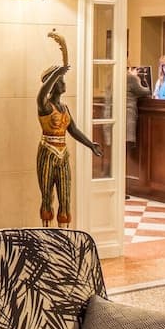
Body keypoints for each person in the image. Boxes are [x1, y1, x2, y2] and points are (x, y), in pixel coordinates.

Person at [37, 64, 103, 227]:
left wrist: (90, 144)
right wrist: (55, 74)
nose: (64, 83)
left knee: (65, 197)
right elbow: (42, 93)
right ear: (53, 84)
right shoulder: (45, 106)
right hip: (47, 152)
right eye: (60, 80)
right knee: (47, 197)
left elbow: (73, 129)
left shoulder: (64, 108)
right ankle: (47, 232)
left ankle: (63, 234)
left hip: (63, 153)